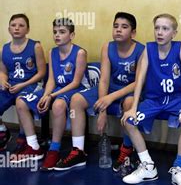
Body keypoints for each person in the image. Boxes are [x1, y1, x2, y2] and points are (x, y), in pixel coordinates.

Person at [55, 12, 144, 171]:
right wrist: (102, 110)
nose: (118, 30)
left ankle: (127, 150)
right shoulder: (107, 47)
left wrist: (110, 98)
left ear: (133, 32)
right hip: (109, 89)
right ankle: (78, 151)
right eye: (115, 26)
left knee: (130, 103)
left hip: (129, 91)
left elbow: (138, 83)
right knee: (76, 99)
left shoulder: (141, 50)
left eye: (124, 27)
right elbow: (104, 80)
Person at [120, 13, 181, 185]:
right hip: (155, 100)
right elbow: (140, 80)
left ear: (174, 33)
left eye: (165, 29)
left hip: (177, 99)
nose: (160, 32)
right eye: (157, 28)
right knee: (128, 121)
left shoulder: (180, 48)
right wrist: (133, 107)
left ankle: (179, 168)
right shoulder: (149, 49)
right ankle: (147, 166)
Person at [13, 18, 89, 169]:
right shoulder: (52, 52)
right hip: (56, 89)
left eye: (62, 32)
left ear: (72, 35)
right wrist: (46, 95)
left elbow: (75, 82)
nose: (57, 35)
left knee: (58, 105)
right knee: (21, 101)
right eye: (55, 32)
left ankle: (54, 150)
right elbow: (51, 81)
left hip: (75, 89)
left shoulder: (80, 52)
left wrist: (52, 96)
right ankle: (34, 147)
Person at [0, 14, 46, 152]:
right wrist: (3, 80)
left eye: (21, 25)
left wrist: (22, 85)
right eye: (13, 25)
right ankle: (3, 131)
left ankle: (30, 143)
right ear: (9, 29)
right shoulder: (4, 49)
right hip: (12, 85)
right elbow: (3, 72)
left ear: (28, 29)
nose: (17, 28)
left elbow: (41, 72)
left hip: (32, 84)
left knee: (22, 102)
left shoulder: (35, 46)